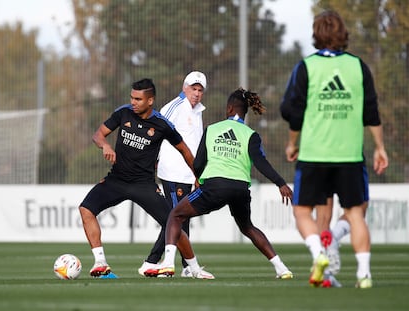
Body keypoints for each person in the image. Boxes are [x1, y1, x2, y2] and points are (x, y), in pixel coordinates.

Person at [281, 10, 388, 289]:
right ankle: (364, 274)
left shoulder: (307, 67)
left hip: (314, 153)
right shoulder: (358, 66)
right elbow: (371, 111)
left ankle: (320, 256)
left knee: (304, 212)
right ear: (343, 34)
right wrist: (379, 147)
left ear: (316, 35)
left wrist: (292, 143)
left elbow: (294, 111)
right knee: (356, 213)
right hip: (350, 155)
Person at [149, 87, 294, 279]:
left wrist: (199, 179)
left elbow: (199, 162)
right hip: (240, 188)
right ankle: (281, 268)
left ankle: (168, 263)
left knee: (175, 215)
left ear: (230, 109)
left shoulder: (212, 129)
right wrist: (281, 183)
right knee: (248, 227)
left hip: (214, 187)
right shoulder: (251, 135)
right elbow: (261, 163)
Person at [78, 78, 208, 278]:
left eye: (138, 99)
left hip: (144, 185)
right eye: (132, 97)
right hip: (117, 180)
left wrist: (197, 175)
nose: (133, 102)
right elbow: (98, 135)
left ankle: (194, 268)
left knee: (173, 222)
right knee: (86, 209)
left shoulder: (162, 124)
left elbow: (185, 151)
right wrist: (105, 145)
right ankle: (100, 263)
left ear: (150, 101)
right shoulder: (123, 113)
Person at [138, 71, 213, 279]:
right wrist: (149, 162)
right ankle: (152, 262)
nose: (196, 93)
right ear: (184, 87)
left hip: (188, 175)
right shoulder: (175, 107)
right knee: (175, 218)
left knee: (181, 217)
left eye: (200, 90)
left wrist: (198, 173)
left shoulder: (197, 111)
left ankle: (184, 265)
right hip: (172, 172)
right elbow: (155, 130)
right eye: (193, 88)